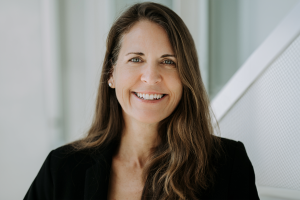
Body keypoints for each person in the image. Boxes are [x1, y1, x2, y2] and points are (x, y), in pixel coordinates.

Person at [24, 2, 259, 200]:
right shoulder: (61, 168)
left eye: (168, 62)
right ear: (111, 74)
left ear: (186, 76)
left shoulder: (229, 165)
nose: (151, 77)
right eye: (136, 59)